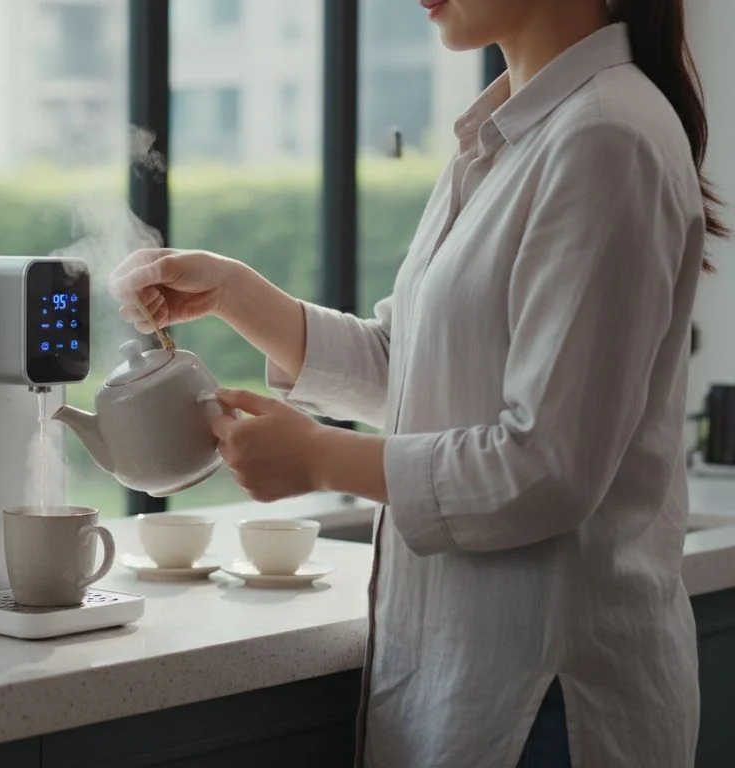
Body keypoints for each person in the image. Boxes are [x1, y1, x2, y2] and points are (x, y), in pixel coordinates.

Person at [111, 1, 725, 766]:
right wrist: (235, 292)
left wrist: (317, 459)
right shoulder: (509, 134)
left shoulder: (605, 136)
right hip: (476, 689)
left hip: (548, 705)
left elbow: (547, 469)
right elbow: (416, 371)